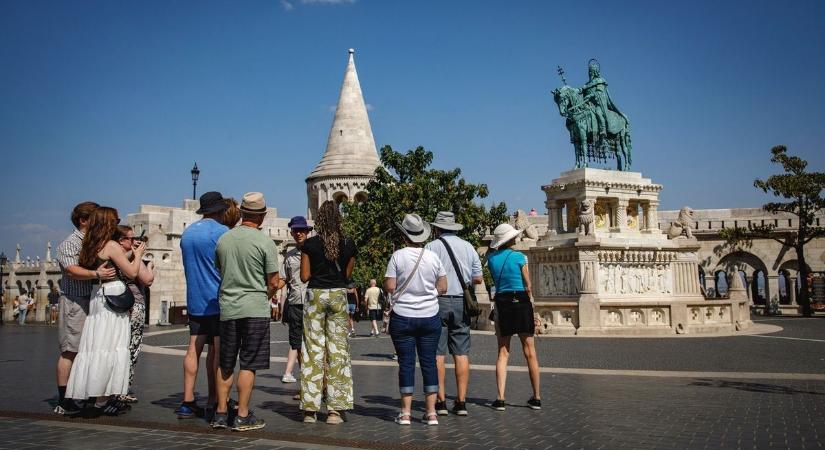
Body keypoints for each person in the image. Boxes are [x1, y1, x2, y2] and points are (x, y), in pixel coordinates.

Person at [66, 206, 146, 416]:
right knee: (112, 346)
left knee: (95, 345)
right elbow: (132, 271)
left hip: (97, 296)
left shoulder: (89, 244)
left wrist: (127, 252)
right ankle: (103, 400)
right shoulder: (111, 245)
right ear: (109, 223)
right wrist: (137, 254)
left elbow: (104, 263)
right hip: (114, 296)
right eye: (116, 220)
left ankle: (87, 396)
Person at [212, 192, 280, 432]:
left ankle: (220, 413)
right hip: (255, 309)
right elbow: (273, 282)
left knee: (226, 362)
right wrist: (267, 296)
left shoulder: (224, 240)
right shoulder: (265, 243)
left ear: (241, 213)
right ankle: (242, 415)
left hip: (228, 308)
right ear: (261, 216)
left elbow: (220, 269)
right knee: (249, 364)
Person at [385, 214, 447, 426]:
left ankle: (405, 413)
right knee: (429, 362)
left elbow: (391, 286)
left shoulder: (397, 256)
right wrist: (429, 293)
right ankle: (431, 413)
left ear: (404, 235)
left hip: (402, 316)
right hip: (429, 316)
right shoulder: (433, 257)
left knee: (406, 364)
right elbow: (443, 286)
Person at [54, 201, 116, 416]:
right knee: (70, 350)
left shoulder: (93, 242)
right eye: (95, 217)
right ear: (83, 220)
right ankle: (64, 398)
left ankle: (82, 392)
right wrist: (96, 274)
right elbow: (72, 270)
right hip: (74, 300)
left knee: (87, 348)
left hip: (91, 299)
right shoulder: (69, 243)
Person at [299, 200, 357, 424]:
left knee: (312, 350)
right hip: (338, 297)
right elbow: (347, 276)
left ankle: (310, 410)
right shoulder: (348, 243)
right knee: (338, 351)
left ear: (319, 220)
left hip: (315, 295)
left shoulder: (310, 244)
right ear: (339, 218)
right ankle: (335, 410)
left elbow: (304, 277)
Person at [177, 192, 230, 419]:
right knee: (217, 351)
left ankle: (187, 401)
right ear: (220, 210)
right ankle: (216, 399)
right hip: (218, 301)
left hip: (195, 300)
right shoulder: (223, 233)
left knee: (193, 349)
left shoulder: (187, 234)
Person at [425, 211, 482, 417]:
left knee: (437, 353)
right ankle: (461, 401)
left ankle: (440, 401)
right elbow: (478, 278)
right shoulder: (468, 246)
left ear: (437, 228)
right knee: (461, 352)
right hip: (461, 302)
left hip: (437, 301)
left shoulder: (431, 247)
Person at [486, 223, 541, 412]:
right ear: (511, 239)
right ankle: (536, 397)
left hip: (503, 302)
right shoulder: (519, 257)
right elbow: (528, 285)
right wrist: (532, 308)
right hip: (521, 302)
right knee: (530, 352)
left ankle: (500, 398)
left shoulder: (491, 259)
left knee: (503, 351)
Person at [114, 225, 154, 403]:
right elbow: (147, 279)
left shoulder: (110, 256)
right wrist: (148, 264)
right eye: (131, 238)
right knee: (131, 347)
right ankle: (122, 388)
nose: (134, 241)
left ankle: (110, 388)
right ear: (121, 241)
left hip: (114, 307)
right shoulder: (129, 258)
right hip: (133, 305)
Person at [281, 216, 312, 385]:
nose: (298, 233)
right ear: (291, 233)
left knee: (314, 344)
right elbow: (282, 279)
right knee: (297, 343)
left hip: (312, 303)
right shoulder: (289, 256)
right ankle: (305, 382)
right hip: (294, 304)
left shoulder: (315, 251)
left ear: (307, 232)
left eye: (302, 230)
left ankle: (320, 382)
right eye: (295, 230)